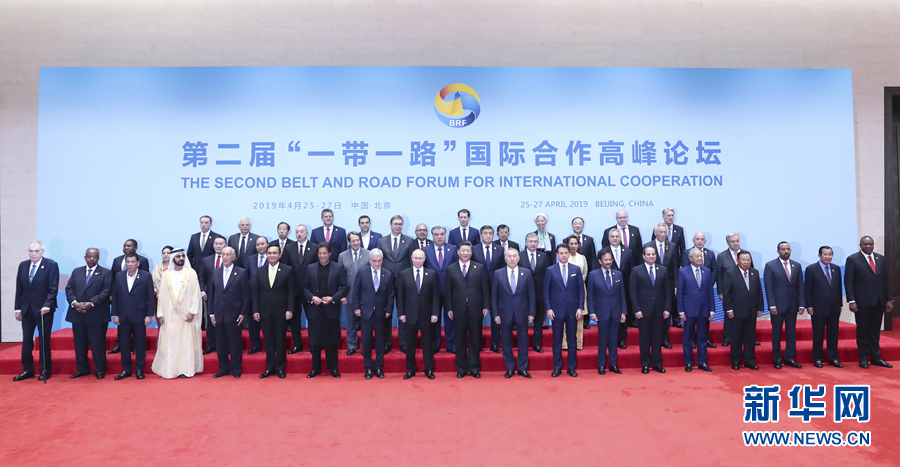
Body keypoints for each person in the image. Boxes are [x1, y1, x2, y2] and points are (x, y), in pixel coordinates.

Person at [152, 248, 204, 379]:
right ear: (173, 258)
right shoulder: (167, 274)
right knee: (172, 342)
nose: (181, 258)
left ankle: (187, 370)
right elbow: (162, 296)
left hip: (187, 315)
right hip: (170, 315)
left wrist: (193, 311)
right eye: (178, 256)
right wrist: (161, 314)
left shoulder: (191, 273)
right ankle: (171, 370)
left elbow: (195, 294)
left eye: (182, 256)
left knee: (186, 342)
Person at [845, 236, 894, 368]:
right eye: (865, 244)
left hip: (879, 301)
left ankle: (876, 358)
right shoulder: (853, 259)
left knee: (875, 331)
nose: (868, 246)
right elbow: (848, 282)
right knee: (862, 331)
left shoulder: (880, 258)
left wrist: (889, 299)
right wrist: (852, 301)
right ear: (860, 245)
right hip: (862, 303)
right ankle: (863, 358)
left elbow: (886, 280)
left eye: (870, 244)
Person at [13, 240, 59, 381]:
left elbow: (53, 288)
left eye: (37, 251)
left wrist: (47, 304)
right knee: (27, 339)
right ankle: (27, 369)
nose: (33, 254)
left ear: (42, 251)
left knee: (44, 339)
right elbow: (19, 288)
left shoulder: (51, 265)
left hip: (43, 309)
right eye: (31, 251)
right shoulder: (23, 265)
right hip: (26, 309)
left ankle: (45, 369)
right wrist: (17, 308)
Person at [65, 248, 112, 379]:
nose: (92, 259)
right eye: (89, 256)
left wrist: (91, 303)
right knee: (79, 344)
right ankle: (82, 369)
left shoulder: (106, 273)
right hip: (77, 314)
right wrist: (74, 303)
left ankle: (100, 369)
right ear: (85, 257)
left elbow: (106, 291)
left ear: (98, 258)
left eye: (94, 257)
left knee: (98, 344)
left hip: (97, 315)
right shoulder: (77, 271)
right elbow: (69, 288)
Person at [445, 241, 490, 378]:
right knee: (459, 340)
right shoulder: (450, 269)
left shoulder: (479, 267)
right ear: (458, 252)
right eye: (463, 250)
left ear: (471, 252)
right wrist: (449, 308)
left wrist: (486, 306)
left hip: (475, 309)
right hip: (458, 309)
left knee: (475, 340)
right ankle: (461, 369)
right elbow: (448, 291)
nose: (465, 253)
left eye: (468, 251)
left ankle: (474, 368)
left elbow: (485, 288)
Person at [303, 244, 349, 378]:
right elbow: (304, 287)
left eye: (324, 253)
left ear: (330, 254)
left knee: (332, 341)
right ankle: (315, 368)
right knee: (314, 341)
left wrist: (333, 298)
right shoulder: (310, 268)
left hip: (331, 309)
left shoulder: (338, 267)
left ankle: (333, 368)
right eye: (320, 253)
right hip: (315, 310)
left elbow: (344, 287)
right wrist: (312, 297)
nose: (322, 256)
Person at [396, 249, 440, 379]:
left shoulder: (432, 274)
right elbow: (400, 296)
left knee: (428, 343)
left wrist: (435, 313)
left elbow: (435, 296)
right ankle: (410, 369)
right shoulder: (404, 274)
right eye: (416, 258)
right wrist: (401, 313)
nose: (418, 260)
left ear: (424, 259)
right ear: (411, 258)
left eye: (420, 258)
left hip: (427, 314)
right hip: (410, 314)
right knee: (410, 344)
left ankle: (429, 369)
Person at [207, 247, 250, 378]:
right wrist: (211, 313)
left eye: (228, 255)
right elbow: (211, 294)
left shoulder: (241, 272)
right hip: (218, 314)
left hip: (235, 314)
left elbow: (246, 296)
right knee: (221, 344)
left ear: (233, 257)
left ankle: (236, 368)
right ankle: (223, 368)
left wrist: (243, 313)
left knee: (235, 343)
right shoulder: (215, 272)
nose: (225, 257)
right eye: (223, 254)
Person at [111, 254, 156, 380]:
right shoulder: (119, 276)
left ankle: (139, 369)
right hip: (123, 315)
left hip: (140, 316)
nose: (130, 264)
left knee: (140, 344)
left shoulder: (146, 276)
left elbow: (150, 297)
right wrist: (115, 314)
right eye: (128, 262)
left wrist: (149, 315)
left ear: (138, 263)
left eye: (132, 262)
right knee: (124, 343)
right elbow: (115, 296)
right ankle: (126, 369)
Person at [352, 248, 394, 379]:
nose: (377, 263)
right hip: (366, 312)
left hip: (381, 312)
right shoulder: (362, 272)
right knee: (366, 340)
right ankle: (368, 368)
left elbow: (390, 294)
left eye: (379, 261)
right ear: (370, 260)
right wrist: (356, 308)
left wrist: (389, 310)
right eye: (374, 261)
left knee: (380, 341)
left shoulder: (388, 274)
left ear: (382, 260)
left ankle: (379, 367)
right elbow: (356, 292)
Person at [492, 249, 535, 378]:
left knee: (523, 342)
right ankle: (510, 368)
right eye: (509, 256)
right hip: (504, 313)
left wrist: (531, 313)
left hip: (522, 312)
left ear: (518, 258)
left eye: (514, 256)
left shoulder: (526, 273)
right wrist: (496, 314)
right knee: (506, 342)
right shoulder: (498, 274)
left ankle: (522, 368)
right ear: (505, 258)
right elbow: (494, 296)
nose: (512, 258)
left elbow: (531, 295)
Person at [763, 241, 806, 369]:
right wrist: (772, 305)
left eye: (788, 249)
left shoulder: (796, 266)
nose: (786, 251)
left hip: (792, 305)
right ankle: (777, 358)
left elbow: (800, 286)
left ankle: (790, 358)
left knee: (791, 332)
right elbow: (769, 287)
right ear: (778, 251)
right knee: (776, 332)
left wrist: (802, 304)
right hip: (777, 306)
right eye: (783, 249)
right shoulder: (770, 266)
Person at [254, 243, 294, 378]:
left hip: (281, 311)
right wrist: (255, 310)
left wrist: (290, 309)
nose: (272, 255)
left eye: (274, 253)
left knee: (280, 340)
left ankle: (280, 368)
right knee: (268, 341)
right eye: (269, 253)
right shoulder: (260, 270)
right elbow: (256, 292)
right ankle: (269, 368)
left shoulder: (287, 270)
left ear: (280, 255)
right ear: (266, 255)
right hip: (265, 311)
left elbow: (291, 292)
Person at [544, 244, 584, 377]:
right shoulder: (550, 270)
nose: (564, 255)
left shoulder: (576, 269)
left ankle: (571, 368)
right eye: (561, 253)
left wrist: (580, 307)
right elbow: (546, 291)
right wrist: (548, 308)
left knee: (572, 340)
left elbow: (581, 290)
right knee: (557, 340)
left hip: (573, 310)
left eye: (566, 253)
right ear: (557, 255)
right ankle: (557, 367)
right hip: (556, 310)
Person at [630, 246, 671, 374]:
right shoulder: (636, 270)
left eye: (653, 254)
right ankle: (645, 364)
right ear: (643, 256)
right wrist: (636, 309)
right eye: (648, 254)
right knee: (644, 339)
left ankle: (657, 364)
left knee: (658, 338)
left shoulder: (663, 270)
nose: (651, 256)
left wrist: (667, 308)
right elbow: (633, 292)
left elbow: (668, 292)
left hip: (659, 310)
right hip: (643, 311)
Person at [376, 215, 413, 353]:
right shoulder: (381, 241)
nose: (398, 226)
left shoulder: (409, 241)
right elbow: (378, 261)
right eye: (396, 224)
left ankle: (404, 342)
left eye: (400, 224)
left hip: (404, 281)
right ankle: (386, 341)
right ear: (390, 225)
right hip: (386, 281)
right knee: (386, 312)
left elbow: (411, 262)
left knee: (404, 312)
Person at [721, 250, 764, 370]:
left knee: (750, 337)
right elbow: (727, 293)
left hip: (751, 311)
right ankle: (736, 361)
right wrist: (729, 309)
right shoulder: (730, 273)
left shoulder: (754, 272)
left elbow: (758, 291)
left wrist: (760, 307)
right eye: (743, 260)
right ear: (737, 260)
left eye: (748, 260)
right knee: (736, 337)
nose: (746, 262)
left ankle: (750, 361)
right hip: (736, 311)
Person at [588, 250, 627, 374]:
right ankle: (601, 365)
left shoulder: (618, 274)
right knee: (603, 340)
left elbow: (622, 295)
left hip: (616, 312)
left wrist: (623, 312)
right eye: (606, 259)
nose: (608, 262)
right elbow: (590, 296)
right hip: (601, 312)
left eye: (610, 259)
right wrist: (592, 312)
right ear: (600, 261)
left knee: (614, 339)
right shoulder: (593, 275)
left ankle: (613, 364)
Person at [109, 239, 151, 354]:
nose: (126, 248)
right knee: (122, 327)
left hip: (137, 303)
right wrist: (112, 295)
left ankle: (137, 346)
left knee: (138, 329)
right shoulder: (117, 260)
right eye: (125, 246)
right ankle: (119, 344)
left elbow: (145, 281)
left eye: (129, 246)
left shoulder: (143, 260)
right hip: (122, 301)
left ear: (136, 248)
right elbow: (113, 279)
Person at [805, 246, 844, 368]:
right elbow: (808, 289)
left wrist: (840, 304)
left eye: (830, 254)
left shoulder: (836, 268)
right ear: (819, 255)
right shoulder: (811, 269)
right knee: (818, 334)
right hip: (818, 307)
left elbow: (838, 287)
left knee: (833, 334)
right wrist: (809, 305)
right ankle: (818, 358)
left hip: (834, 307)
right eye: (825, 254)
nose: (828, 257)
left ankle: (833, 358)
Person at [677, 249, 715, 372]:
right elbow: (680, 293)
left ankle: (702, 362)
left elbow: (710, 292)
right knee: (687, 337)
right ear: (690, 258)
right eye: (697, 256)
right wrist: (681, 311)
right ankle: (688, 362)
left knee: (702, 337)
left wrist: (712, 309)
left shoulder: (707, 271)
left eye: (701, 256)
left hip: (704, 309)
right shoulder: (683, 272)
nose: (700, 258)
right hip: (688, 310)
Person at [423, 226, 459, 353]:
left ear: (445, 235)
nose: (439, 237)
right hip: (432, 291)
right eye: (436, 234)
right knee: (434, 319)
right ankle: (434, 345)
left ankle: (452, 345)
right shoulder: (425, 250)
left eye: (442, 234)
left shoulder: (453, 249)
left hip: (450, 290)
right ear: (432, 236)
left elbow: (457, 268)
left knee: (451, 318)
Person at [643, 223, 679, 348]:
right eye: (661, 232)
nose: (663, 234)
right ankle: (652, 339)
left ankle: (664, 339)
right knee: (652, 312)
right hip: (652, 285)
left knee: (666, 312)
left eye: (665, 232)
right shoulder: (648, 246)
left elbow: (675, 267)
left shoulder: (672, 246)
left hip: (668, 284)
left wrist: (675, 285)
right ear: (655, 233)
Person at [283, 224, 316, 354]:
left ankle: (313, 344)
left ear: (307, 233)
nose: (299, 234)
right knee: (294, 319)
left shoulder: (314, 247)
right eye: (297, 232)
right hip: (293, 289)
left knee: (312, 318)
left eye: (302, 231)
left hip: (310, 289)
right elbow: (285, 268)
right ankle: (297, 344)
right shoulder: (289, 248)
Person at [681, 233, 718, 348]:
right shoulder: (686, 253)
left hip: (705, 292)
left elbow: (714, 270)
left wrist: (707, 283)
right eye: (697, 239)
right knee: (690, 321)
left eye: (702, 239)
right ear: (693, 240)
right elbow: (685, 270)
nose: (700, 241)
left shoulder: (710, 253)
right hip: (691, 294)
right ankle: (692, 340)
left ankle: (705, 339)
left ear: (705, 241)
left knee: (705, 320)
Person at [472, 224, 504, 352]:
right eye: (485, 233)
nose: (488, 236)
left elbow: (502, 269)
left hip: (496, 287)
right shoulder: (474, 249)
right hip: (478, 288)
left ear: (494, 235)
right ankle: (477, 343)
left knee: (496, 316)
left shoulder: (500, 249)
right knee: (477, 316)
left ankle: (494, 343)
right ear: (481, 235)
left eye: (490, 233)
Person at [338, 232, 369, 355]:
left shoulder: (368, 254)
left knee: (366, 323)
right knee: (350, 322)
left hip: (365, 295)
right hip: (349, 294)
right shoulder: (342, 256)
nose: (356, 243)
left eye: (357, 240)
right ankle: (351, 345)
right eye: (353, 241)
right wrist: (342, 295)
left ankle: (365, 345)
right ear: (349, 242)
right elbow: (340, 277)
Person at [520, 233, 551, 352]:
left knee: (538, 321)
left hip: (539, 293)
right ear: (526, 243)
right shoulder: (519, 256)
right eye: (530, 241)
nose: (533, 244)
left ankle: (536, 344)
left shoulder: (543, 256)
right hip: (522, 294)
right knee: (522, 320)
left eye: (535, 242)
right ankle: (523, 345)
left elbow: (547, 275)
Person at [197, 236, 227, 355]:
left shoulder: (232, 259)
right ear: (213, 246)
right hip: (211, 295)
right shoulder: (206, 260)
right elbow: (202, 276)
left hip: (227, 295)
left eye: (221, 244)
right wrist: (202, 290)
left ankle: (226, 346)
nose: (219, 246)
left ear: (225, 245)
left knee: (226, 321)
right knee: (211, 321)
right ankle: (211, 345)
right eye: (216, 244)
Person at [607, 228, 634, 350]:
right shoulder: (603, 252)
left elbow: (632, 271)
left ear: (620, 238)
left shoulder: (628, 252)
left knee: (623, 315)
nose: (615, 238)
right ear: (609, 238)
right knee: (610, 315)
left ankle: (622, 340)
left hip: (625, 288)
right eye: (612, 236)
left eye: (617, 236)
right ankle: (610, 340)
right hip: (609, 289)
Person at [561, 235, 588, 350]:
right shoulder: (564, 256)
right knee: (564, 317)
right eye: (571, 243)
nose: (573, 246)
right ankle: (565, 344)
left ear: (578, 245)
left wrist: (577, 283)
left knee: (578, 317)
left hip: (580, 289)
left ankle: (578, 343)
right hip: (565, 290)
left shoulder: (582, 258)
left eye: (575, 243)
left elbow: (585, 273)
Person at [246, 236, 270, 354]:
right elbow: (246, 276)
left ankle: (270, 346)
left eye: (262, 244)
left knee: (268, 323)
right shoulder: (250, 259)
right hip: (252, 296)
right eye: (257, 244)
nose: (260, 246)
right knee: (252, 324)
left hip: (267, 296)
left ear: (267, 245)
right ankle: (255, 345)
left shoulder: (272, 258)